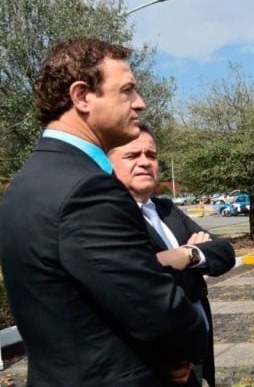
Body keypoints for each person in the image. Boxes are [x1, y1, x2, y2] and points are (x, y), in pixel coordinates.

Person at [0, 38, 207, 386]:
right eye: (127, 91)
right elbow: (153, 307)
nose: (139, 104)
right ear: (82, 96)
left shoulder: (24, 184)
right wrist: (187, 349)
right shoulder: (87, 189)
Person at [109, 124, 236, 387]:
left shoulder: (166, 209)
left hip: (198, 353)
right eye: (133, 156)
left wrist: (186, 254)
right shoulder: (112, 218)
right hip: (163, 363)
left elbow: (224, 252)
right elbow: (140, 287)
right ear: (108, 164)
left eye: (151, 156)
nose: (145, 162)